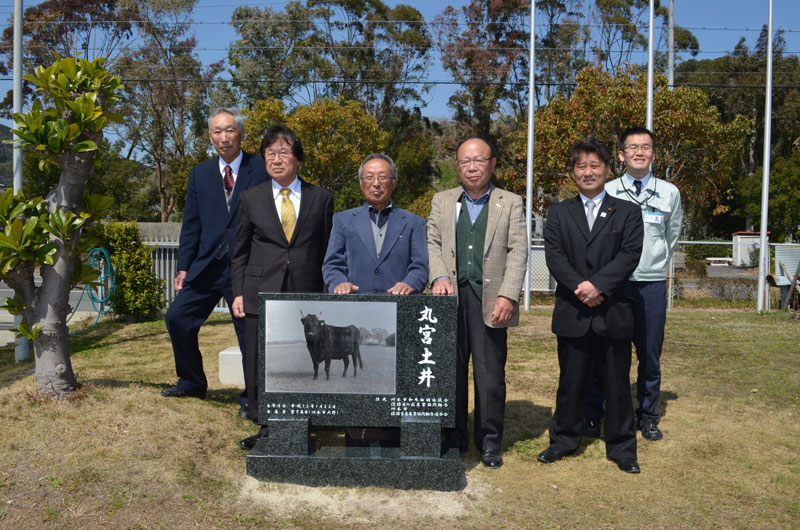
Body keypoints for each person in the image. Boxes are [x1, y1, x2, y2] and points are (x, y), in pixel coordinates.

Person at [538, 138, 644, 473]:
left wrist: (598, 286)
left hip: (612, 311)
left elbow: (629, 255)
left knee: (617, 384)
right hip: (573, 311)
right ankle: (564, 440)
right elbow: (554, 256)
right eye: (581, 166)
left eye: (594, 165)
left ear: (607, 169)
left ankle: (622, 447)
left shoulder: (627, 211)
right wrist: (580, 287)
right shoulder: (557, 212)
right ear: (573, 173)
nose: (588, 172)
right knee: (571, 382)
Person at [427, 137, 527, 469]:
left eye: (479, 161)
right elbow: (433, 241)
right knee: (450, 371)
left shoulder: (510, 202)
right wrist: (439, 275)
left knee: (490, 375)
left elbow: (518, 251)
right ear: (457, 166)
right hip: (450, 298)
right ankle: (453, 437)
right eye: (465, 161)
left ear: (492, 164)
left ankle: (489, 442)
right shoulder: (442, 201)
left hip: (491, 300)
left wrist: (508, 293)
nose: (472, 167)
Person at [231, 125, 334, 450]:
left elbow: (329, 248)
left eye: (284, 152)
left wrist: (329, 290)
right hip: (259, 290)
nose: (276, 159)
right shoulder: (251, 198)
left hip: (306, 290)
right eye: (270, 153)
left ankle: (305, 419)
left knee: (306, 356)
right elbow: (240, 252)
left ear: (298, 159)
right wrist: (237, 292)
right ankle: (264, 423)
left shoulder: (321, 198)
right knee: (258, 359)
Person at [162, 108, 268, 418]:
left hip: (245, 267)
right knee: (177, 318)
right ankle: (192, 381)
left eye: (230, 130)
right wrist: (184, 267)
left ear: (242, 134)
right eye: (218, 132)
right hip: (206, 265)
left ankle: (253, 395)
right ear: (211, 138)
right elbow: (191, 222)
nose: (224, 137)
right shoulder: (200, 173)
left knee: (249, 331)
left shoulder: (260, 168)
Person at [583, 127, 683, 442]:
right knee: (606, 352)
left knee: (650, 353)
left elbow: (672, 237)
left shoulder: (669, 193)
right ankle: (594, 415)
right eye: (632, 147)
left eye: (646, 147)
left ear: (653, 153)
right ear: (622, 154)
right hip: (614, 286)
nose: (640, 152)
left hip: (651, 285)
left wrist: (654, 263)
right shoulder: (607, 190)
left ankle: (649, 415)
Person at [322, 153, 428, 296]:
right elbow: (332, 264)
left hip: (400, 305)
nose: (376, 183)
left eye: (383, 177)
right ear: (361, 183)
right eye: (369, 177)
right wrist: (339, 283)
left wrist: (409, 283)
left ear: (394, 182)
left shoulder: (414, 223)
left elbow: (420, 266)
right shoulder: (343, 220)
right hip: (354, 305)